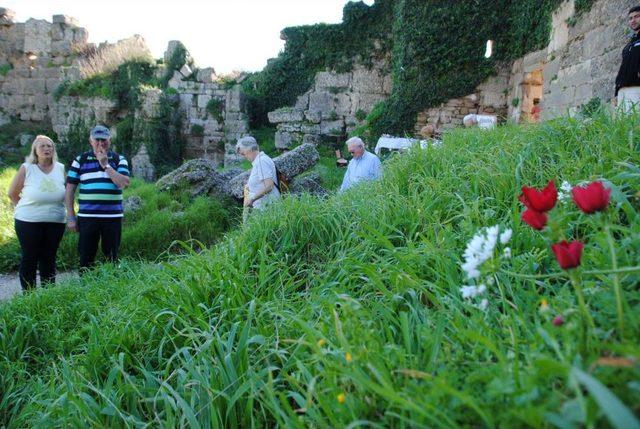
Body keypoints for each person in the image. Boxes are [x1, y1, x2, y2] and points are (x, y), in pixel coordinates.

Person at [65, 125, 130, 272]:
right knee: (86, 258)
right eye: (97, 139)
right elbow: (69, 190)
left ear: (110, 140)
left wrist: (105, 165)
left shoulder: (119, 159)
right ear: (90, 141)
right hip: (88, 217)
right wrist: (70, 217)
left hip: (112, 217)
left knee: (112, 257)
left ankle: (111, 289)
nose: (100, 143)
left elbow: (123, 183)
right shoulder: (80, 160)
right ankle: (86, 290)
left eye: (104, 140)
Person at [7, 135, 66, 290]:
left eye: (50, 146)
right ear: (35, 150)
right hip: (28, 222)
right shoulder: (27, 168)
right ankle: (30, 296)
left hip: (56, 222)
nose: (47, 149)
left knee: (49, 258)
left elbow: (66, 192)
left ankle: (48, 294)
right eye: (43, 146)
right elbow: (12, 193)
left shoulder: (60, 168)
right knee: (30, 257)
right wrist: (23, 210)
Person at [236, 135, 280, 212]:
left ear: (250, 149)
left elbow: (269, 186)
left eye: (243, 153)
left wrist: (252, 199)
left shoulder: (261, 162)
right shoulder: (259, 161)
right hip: (265, 207)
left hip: (268, 208)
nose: (244, 156)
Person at [615, 6, 640, 113]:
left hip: (636, 89)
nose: (633, 20)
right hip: (623, 92)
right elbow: (622, 69)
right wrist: (616, 92)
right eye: (630, 18)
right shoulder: (630, 44)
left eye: (637, 16)